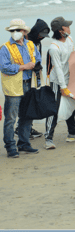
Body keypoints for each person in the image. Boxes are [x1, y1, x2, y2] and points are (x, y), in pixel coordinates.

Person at [44, 17, 75, 150]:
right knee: (54, 108)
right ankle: (48, 138)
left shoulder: (69, 39)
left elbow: (71, 58)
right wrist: (63, 87)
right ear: (60, 31)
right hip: (57, 81)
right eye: (66, 26)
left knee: (71, 105)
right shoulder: (54, 47)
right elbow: (57, 68)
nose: (69, 28)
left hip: (69, 78)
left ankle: (72, 133)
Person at [0, 19, 40, 158]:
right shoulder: (5, 47)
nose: (15, 33)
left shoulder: (31, 45)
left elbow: (37, 59)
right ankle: (10, 147)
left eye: (17, 30)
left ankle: (23, 144)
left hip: (28, 83)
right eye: (12, 30)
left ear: (24, 32)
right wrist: (24, 67)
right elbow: (4, 67)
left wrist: (35, 65)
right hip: (13, 86)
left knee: (27, 115)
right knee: (11, 118)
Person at [22, 19, 50, 139]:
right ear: (36, 31)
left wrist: (38, 68)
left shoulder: (38, 42)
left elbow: (38, 57)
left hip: (35, 75)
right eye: (40, 34)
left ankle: (29, 127)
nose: (42, 37)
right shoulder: (27, 41)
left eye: (43, 36)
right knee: (27, 103)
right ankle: (21, 129)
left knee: (33, 101)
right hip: (25, 78)